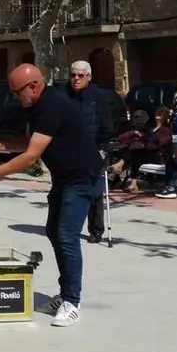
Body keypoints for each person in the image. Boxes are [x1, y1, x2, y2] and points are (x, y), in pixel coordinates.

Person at [0, 64, 103, 328]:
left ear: (33, 86)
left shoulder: (52, 105)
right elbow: (32, 142)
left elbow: (32, 156)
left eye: (16, 92)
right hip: (64, 179)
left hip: (81, 178)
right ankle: (64, 292)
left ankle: (72, 301)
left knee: (66, 236)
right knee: (53, 232)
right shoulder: (37, 106)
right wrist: (4, 146)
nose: (14, 97)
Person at [65, 61, 112, 244]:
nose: (75, 79)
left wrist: (103, 149)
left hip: (94, 150)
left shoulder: (99, 96)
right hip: (70, 151)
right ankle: (69, 226)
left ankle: (96, 230)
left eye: (80, 75)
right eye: (73, 75)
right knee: (68, 190)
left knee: (94, 192)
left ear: (89, 77)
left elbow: (107, 126)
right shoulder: (65, 95)